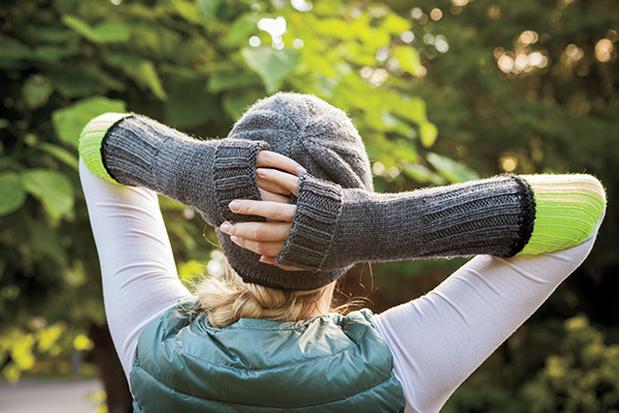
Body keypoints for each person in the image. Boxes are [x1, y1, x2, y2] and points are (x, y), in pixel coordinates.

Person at [79, 93, 607, 413]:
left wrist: (194, 169)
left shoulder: (148, 340)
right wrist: (368, 224)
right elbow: (581, 213)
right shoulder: (404, 364)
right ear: (344, 242)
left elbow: (99, 138)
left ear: (223, 220)